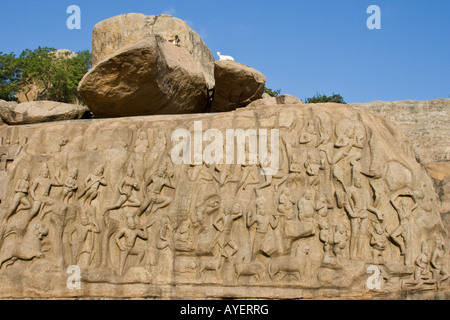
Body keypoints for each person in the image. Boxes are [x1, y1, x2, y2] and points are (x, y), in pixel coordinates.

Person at [390, 191, 418, 264]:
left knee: (408, 244)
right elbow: (392, 200)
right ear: (401, 204)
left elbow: (416, 203)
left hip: (407, 227)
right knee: (392, 235)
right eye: (403, 203)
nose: (405, 204)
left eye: (406, 203)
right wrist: (398, 194)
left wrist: (412, 195)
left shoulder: (409, 210)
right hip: (401, 226)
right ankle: (401, 245)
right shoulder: (399, 210)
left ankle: (407, 261)